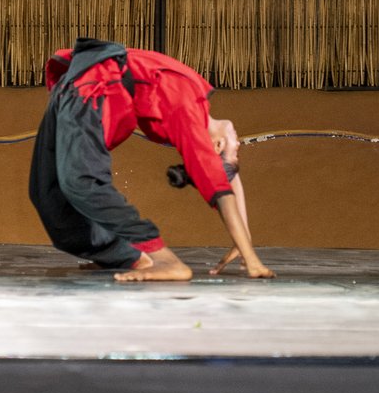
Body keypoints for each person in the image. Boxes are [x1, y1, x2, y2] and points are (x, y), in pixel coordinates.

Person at [29, 38, 273, 282]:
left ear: (217, 146)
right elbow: (226, 180)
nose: (239, 143)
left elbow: (224, 185)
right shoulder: (194, 104)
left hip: (94, 86)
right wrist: (245, 243)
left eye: (235, 149)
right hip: (80, 79)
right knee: (46, 194)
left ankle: (165, 261)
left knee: (81, 181)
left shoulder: (189, 117)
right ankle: (128, 258)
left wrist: (251, 257)